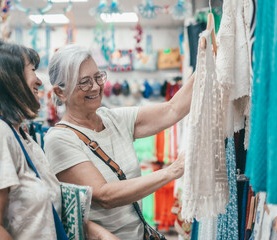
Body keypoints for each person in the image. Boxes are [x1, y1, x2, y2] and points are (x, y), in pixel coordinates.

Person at [0, 40, 117, 240]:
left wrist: (98, 233)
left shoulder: (18, 134)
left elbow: (43, 214)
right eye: (32, 70)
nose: (39, 81)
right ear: (8, 78)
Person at [44, 44, 194, 240]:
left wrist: (211, 55)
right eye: (84, 82)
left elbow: (172, 110)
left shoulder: (112, 119)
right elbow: (105, 195)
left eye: (98, 77)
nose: (96, 87)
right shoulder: (60, 139)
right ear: (60, 92)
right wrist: (173, 171)